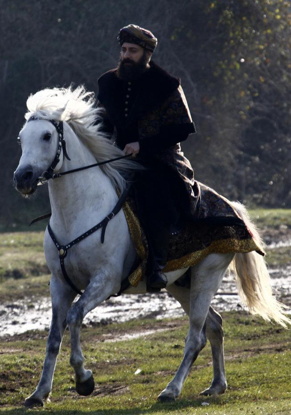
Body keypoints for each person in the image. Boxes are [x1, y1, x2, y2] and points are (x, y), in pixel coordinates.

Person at [96, 24, 199, 290]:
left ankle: (156, 266)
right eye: (124, 50)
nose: (126, 55)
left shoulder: (166, 85)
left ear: (146, 54)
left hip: (160, 159)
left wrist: (142, 145)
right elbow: (102, 122)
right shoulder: (107, 82)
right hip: (117, 158)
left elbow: (182, 129)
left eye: (133, 50)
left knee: (154, 193)